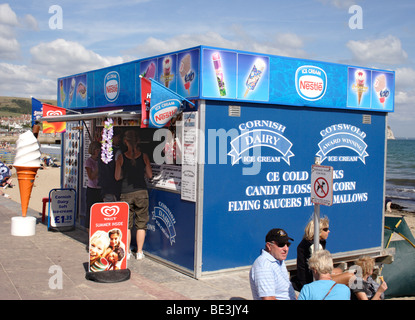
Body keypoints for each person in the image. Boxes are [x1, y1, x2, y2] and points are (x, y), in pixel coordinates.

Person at [115, 130, 153, 260]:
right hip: (141, 192)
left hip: (125, 193)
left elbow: (117, 176)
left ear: (125, 142)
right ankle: (140, 252)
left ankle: (127, 251)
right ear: (138, 141)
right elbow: (150, 175)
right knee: (141, 224)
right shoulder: (144, 156)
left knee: (127, 225)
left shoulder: (121, 157)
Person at [294, 216, 353, 290]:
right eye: (325, 229)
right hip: (312, 282)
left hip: (306, 279)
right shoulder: (315, 246)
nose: (328, 231)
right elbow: (319, 270)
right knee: (351, 277)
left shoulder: (306, 243)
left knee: (339, 270)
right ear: (317, 231)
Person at [249, 228, 296, 300]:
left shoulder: (279, 260)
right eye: (281, 244)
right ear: (269, 246)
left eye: (288, 244)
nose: (286, 249)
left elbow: (287, 291)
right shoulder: (264, 266)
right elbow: (268, 298)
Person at [98, 129, 123, 202]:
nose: (119, 139)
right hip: (115, 187)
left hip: (105, 186)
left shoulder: (102, 150)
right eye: (118, 137)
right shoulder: (117, 152)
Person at [85, 141, 103, 228]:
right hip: (92, 189)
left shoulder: (101, 161)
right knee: (90, 210)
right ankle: (89, 228)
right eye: (98, 150)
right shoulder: (89, 162)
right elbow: (91, 176)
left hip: (101, 188)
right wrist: (99, 166)